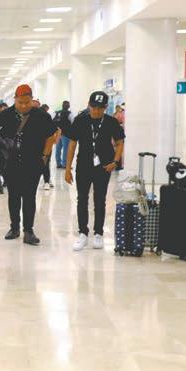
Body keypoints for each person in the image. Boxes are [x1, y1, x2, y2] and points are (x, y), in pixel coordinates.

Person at [0, 85, 58, 246]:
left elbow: (52, 135)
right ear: (15, 99)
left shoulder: (41, 116)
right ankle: (14, 228)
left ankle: (28, 230)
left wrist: (45, 156)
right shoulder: (5, 115)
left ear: (32, 99)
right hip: (10, 163)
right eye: (20, 102)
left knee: (29, 196)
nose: (23, 106)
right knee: (13, 196)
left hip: (33, 163)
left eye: (27, 102)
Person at [65, 91, 125, 251]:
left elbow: (120, 142)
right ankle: (83, 233)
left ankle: (98, 233)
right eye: (93, 107)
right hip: (83, 165)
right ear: (88, 105)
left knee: (100, 200)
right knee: (82, 199)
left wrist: (115, 161)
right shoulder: (80, 120)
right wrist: (67, 168)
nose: (96, 111)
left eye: (100, 108)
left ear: (105, 107)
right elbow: (72, 144)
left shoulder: (111, 122)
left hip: (104, 166)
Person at [53, 100, 73, 169]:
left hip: (58, 133)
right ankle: (65, 164)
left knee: (58, 149)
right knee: (66, 149)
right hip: (66, 134)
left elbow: (52, 121)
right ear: (68, 106)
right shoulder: (69, 114)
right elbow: (73, 122)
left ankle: (58, 164)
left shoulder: (57, 113)